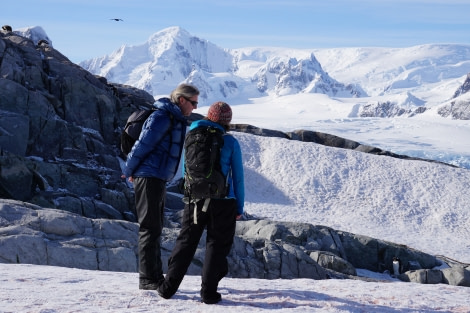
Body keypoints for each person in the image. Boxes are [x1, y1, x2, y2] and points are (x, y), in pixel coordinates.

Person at [157, 101, 245, 304]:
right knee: (216, 245)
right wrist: (238, 207)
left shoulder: (192, 134)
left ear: (208, 115)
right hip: (223, 201)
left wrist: (191, 192)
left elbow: (185, 170)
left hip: (194, 198)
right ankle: (208, 293)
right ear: (227, 121)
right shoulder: (229, 141)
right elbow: (238, 178)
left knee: (186, 242)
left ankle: (168, 288)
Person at [123, 83, 199, 290]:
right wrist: (129, 170)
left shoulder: (172, 118)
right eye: (193, 103)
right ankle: (148, 279)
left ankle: (154, 276)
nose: (195, 107)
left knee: (155, 227)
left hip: (156, 177)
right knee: (149, 227)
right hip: (148, 176)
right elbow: (142, 145)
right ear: (182, 100)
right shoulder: (162, 117)